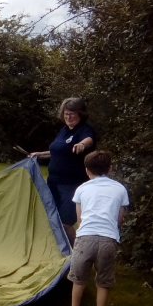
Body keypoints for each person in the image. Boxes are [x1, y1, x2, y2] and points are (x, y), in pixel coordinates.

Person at [65, 151, 129, 306]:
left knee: (78, 280)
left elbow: (79, 219)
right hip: (108, 239)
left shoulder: (82, 189)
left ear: (87, 170)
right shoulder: (120, 189)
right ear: (110, 168)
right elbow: (119, 220)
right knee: (103, 281)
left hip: (85, 238)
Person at [30, 98, 96, 246]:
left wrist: (81, 144)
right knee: (52, 219)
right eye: (66, 114)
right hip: (53, 182)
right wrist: (39, 154)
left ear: (80, 114)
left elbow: (89, 140)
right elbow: (58, 151)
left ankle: (78, 253)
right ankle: (61, 252)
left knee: (66, 223)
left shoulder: (84, 129)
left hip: (71, 185)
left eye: (72, 113)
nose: (68, 117)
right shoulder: (64, 130)